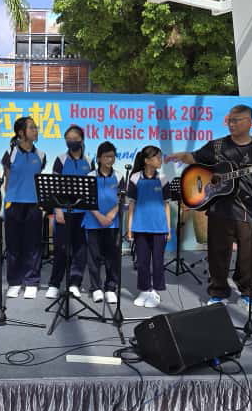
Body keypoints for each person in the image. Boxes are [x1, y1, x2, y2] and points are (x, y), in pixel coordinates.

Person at [165, 104, 252, 312]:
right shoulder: (216, 146)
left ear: (249, 122)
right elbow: (194, 158)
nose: (231, 124)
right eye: (229, 120)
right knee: (218, 254)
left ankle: (247, 294)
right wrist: (182, 156)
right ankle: (218, 292)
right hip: (220, 209)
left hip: (250, 210)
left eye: (236, 120)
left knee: (250, 256)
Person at [47, 125, 94, 300]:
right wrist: (57, 210)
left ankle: (75, 283)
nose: (71, 142)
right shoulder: (60, 159)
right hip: (63, 212)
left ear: (81, 140)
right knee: (61, 249)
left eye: (74, 139)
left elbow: (91, 188)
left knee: (80, 250)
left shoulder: (89, 161)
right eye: (68, 139)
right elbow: (54, 187)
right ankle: (54, 284)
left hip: (83, 213)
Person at [2, 116, 47, 300]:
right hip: (13, 204)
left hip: (34, 204)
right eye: (32, 128)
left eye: (36, 127)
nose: (36, 131)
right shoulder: (10, 152)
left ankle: (31, 281)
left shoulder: (41, 155)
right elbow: (7, 180)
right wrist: (10, 199)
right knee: (13, 245)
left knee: (33, 245)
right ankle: (14, 281)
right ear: (21, 133)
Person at [127, 145, 170, 308]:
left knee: (158, 262)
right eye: (157, 157)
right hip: (140, 227)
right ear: (147, 160)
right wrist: (129, 229)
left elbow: (166, 205)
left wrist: (168, 229)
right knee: (142, 262)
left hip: (159, 227)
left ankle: (155, 291)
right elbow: (131, 205)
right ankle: (144, 290)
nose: (160, 160)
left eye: (160, 157)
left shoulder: (163, 178)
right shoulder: (135, 178)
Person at [83, 141, 125, 304]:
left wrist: (111, 215)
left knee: (112, 256)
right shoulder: (90, 176)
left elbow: (122, 199)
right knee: (94, 257)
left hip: (113, 223)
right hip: (93, 222)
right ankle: (96, 288)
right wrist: (99, 216)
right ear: (99, 158)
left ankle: (110, 288)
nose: (110, 160)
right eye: (106, 156)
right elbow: (87, 200)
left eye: (112, 157)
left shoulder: (119, 176)